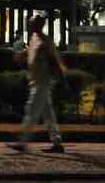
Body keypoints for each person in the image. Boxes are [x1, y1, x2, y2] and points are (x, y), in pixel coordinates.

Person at [9, 13, 66, 153]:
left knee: (31, 110)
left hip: (43, 82)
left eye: (33, 23)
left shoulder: (46, 41)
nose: (30, 25)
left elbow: (54, 61)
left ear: (40, 25)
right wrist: (20, 55)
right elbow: (29, 54)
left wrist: (61, 78)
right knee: (48, 114)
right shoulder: (34, 39)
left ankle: (22, 141)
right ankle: (57, 142)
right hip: (35, 81)